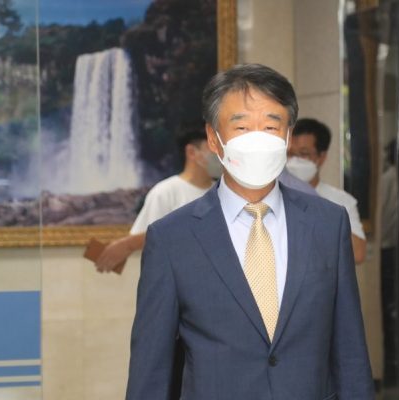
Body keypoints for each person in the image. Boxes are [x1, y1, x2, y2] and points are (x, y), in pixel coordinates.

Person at [126, 64, 374, 400]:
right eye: (241, 127)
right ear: (214, 138)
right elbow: (151, 370)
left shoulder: (328, 224)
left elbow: (350, 352)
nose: (257, 140)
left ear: (287, 136)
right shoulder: (172, 238)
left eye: (271, 126)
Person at [94, 128, 217, 272]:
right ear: (191, 152)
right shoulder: (165, 192)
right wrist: (127, 245)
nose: (220, 154)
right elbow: (151, 238)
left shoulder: (224, 193)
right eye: (213, 147)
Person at [286, 118, 367, 263]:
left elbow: (358, 253)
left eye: (303, 154)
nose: (294, 161)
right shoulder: (272, 194)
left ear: (321, 157)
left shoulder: (340, 201)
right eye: (290, 154)